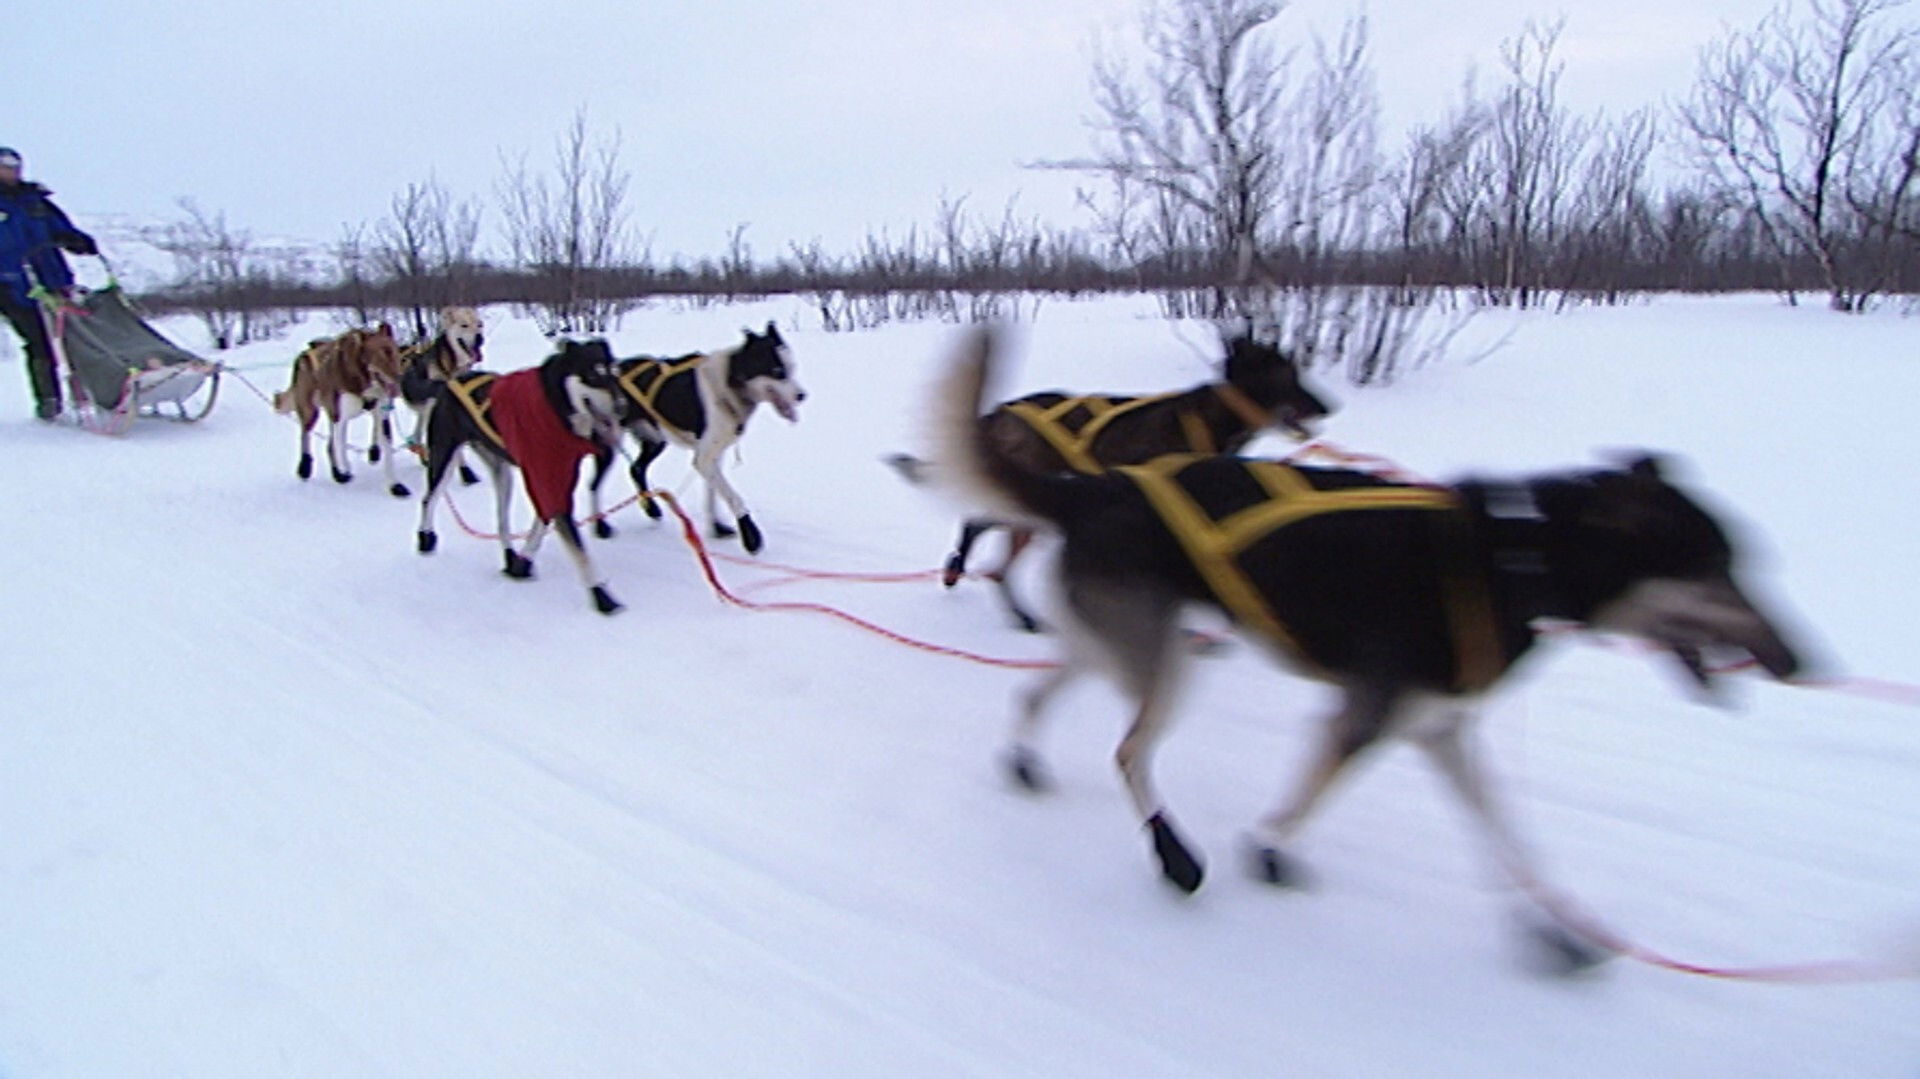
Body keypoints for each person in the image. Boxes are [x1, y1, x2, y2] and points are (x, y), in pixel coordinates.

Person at [0, 146, 97, 420]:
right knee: (39, 341)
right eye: (5, 167)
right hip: (11, 286)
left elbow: (59, 228)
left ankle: (90, 391)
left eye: (15, 167)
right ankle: (48, 401)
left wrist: (76, 240)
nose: (11, 172)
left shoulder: (35, 200)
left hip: (52, 280)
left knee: (74, 337)